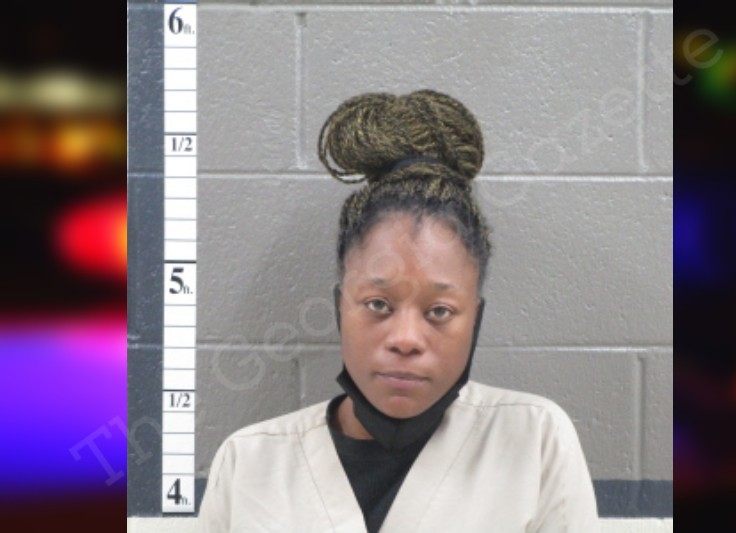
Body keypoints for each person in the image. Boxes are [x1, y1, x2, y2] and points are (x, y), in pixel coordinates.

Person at [198, 89, 599, 532]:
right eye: (378, 304)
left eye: (440, 311)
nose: (405, 339)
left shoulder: (535, 442)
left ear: (476, 319)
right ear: (339, 309)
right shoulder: (249, 464)